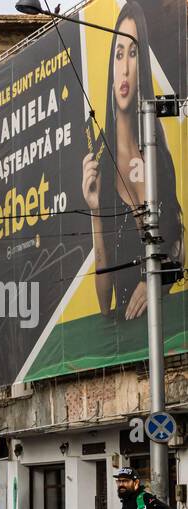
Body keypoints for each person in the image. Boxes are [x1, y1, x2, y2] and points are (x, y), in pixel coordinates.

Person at [83, 1, 183, 325]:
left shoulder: (158, 146)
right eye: (119, 53)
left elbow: (179, 243)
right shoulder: (102, 163)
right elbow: (103, 302)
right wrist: (96, 211)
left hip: (170, 330)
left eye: (134, 53)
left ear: (142, 67)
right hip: (126, 339)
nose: (124, 68)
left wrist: (156, 278)